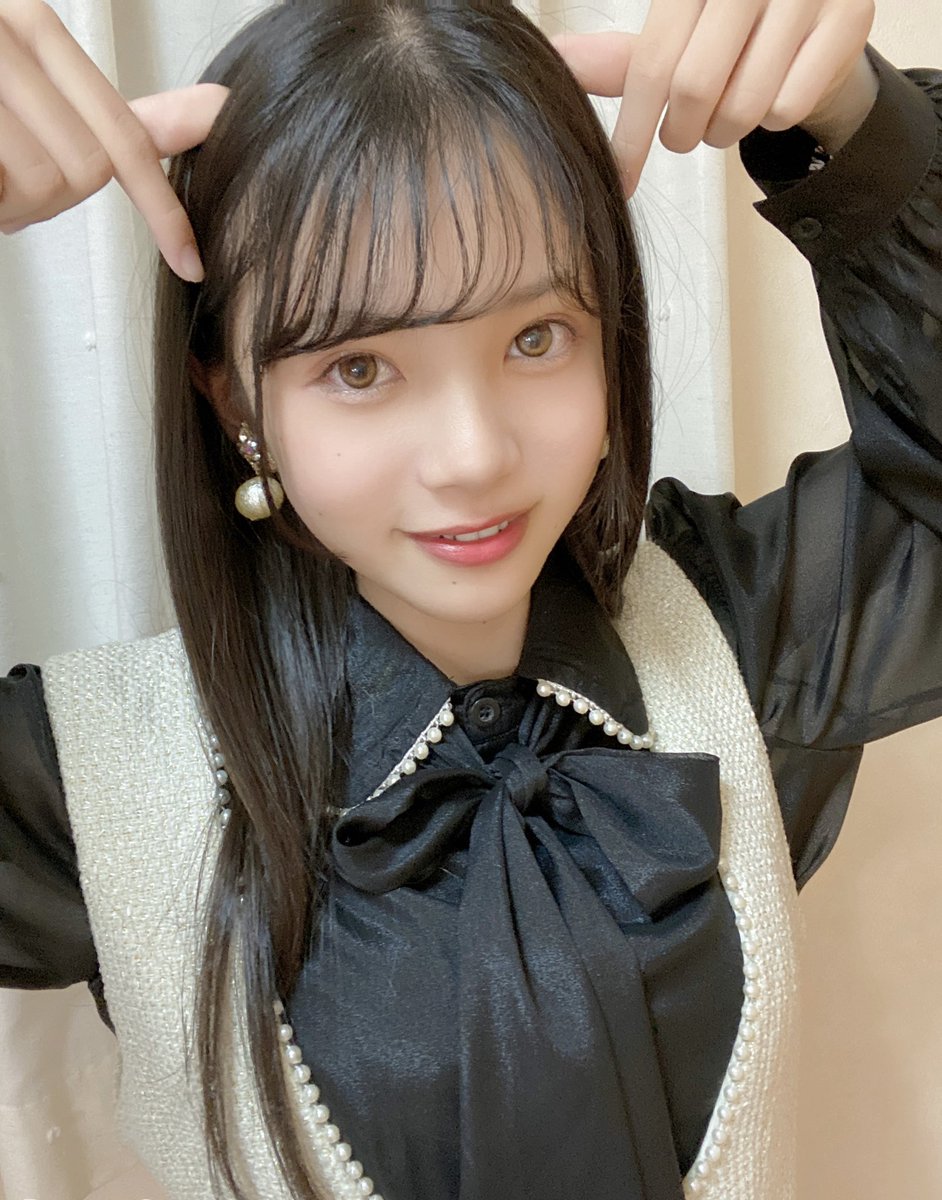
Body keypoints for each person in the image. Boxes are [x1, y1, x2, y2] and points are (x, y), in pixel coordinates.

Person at [0, 1, 939, 1199]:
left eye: (537, 337)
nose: (473, 455)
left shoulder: (741, 629)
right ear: (234, 396)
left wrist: (856, 126)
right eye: (359, 367)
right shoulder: (91, 776)